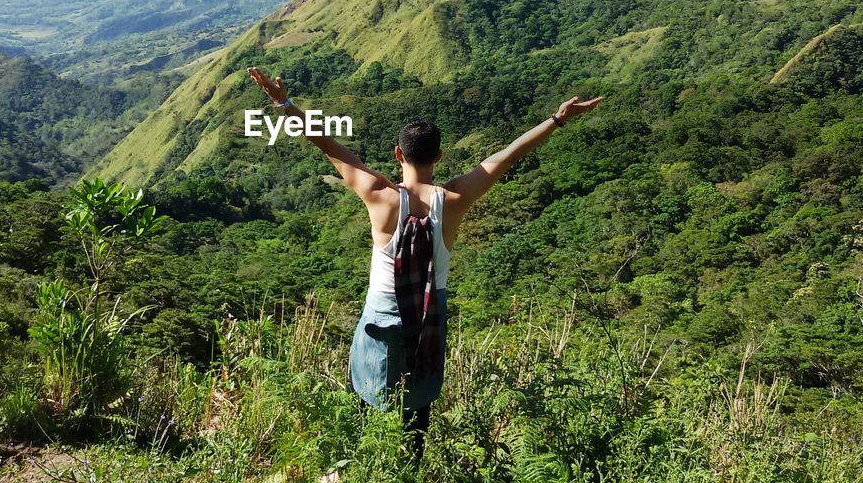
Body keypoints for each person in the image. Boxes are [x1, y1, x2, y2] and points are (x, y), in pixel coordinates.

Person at [246, 66, 603, 461]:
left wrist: (284, 102)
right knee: (416, 416)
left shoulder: (378, 195)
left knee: (366, 403)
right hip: (429, 315)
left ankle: (367, 466)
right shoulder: (452, 200)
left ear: (398, 154)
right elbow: (507, 155)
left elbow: (326, 143)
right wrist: (557, 119)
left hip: (381, 312)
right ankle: (411, 465)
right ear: (440, 156)